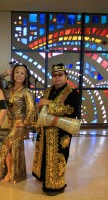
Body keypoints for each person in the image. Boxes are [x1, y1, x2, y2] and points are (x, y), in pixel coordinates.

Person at [32, 63, 79, 196]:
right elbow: (42, 108)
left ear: (66, 76)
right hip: (45, 129)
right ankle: (43, 178)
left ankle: (55, 186)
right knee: (43, 155)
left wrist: (49, 103)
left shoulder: (72, 92)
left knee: (58, 158)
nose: (57, 78)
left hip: (60, 132)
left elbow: (71, 110)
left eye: (60, 75)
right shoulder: (48, 90)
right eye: (54, 75)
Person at [0, 64, 36, 183]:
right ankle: (17, 173)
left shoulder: (26, 91)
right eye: (16, 72)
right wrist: (5, 73)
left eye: (22, 73)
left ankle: (10, 173)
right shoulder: (9, 88)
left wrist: (25, 123)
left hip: (20, 125)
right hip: (11, 124)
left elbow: (32, 109)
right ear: (13, 74)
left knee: (7, 146)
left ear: (26, 76)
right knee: (14, 149)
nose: (19, 75)